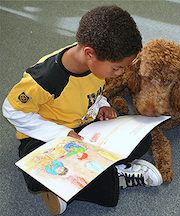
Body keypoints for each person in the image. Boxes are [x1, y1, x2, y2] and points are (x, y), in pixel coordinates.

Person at [2, 5, 163, 215]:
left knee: (143, 136)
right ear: (90, 54)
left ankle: (80, 181)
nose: (121, 73)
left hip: (84, 127)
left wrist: (102, 105)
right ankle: (117, 177)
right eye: (116, 68)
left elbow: (91, 91)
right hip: (46, 137)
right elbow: (12, 111)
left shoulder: (94, 59)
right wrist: (62, 133)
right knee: (34, 176)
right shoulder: (45, 79)